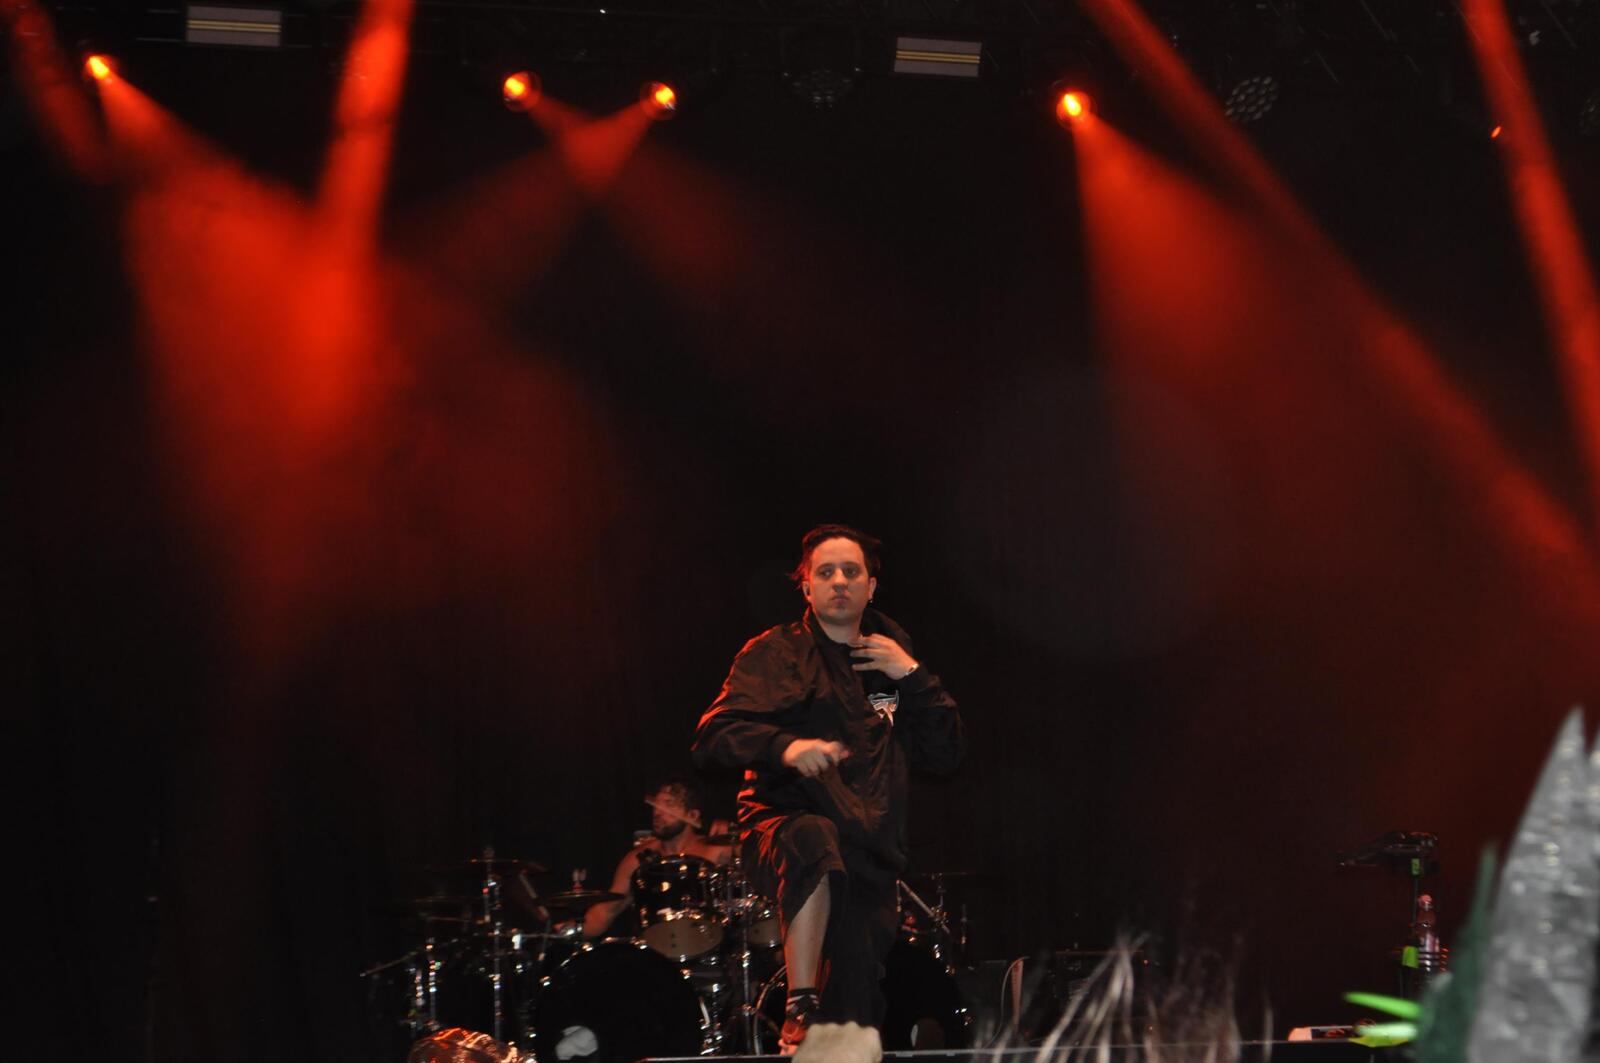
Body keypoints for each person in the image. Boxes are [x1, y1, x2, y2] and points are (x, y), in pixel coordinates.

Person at [692, 524, 964, 1053]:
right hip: (783, 823)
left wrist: (912, 675)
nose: (839, 581)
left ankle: (815, 1034)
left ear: (870, 586)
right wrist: (784, 747)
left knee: (853, 1019)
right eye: (826, 572)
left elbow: (947, 753)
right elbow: (712, 737)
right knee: (814, 837)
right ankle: (800, 1001)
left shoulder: (892, 659)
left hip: (869, 857)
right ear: (807, 587)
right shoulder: (777, 653)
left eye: (851, 571)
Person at [581, 778, 732, 940]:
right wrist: (567, 930)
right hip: (657, 949)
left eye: (668, 804)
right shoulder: (637, 859)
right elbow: (606, 911)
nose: (657, 813)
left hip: (711, 944)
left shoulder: (718, 849)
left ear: (693, 815)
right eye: (656, 805)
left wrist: (735, 831)